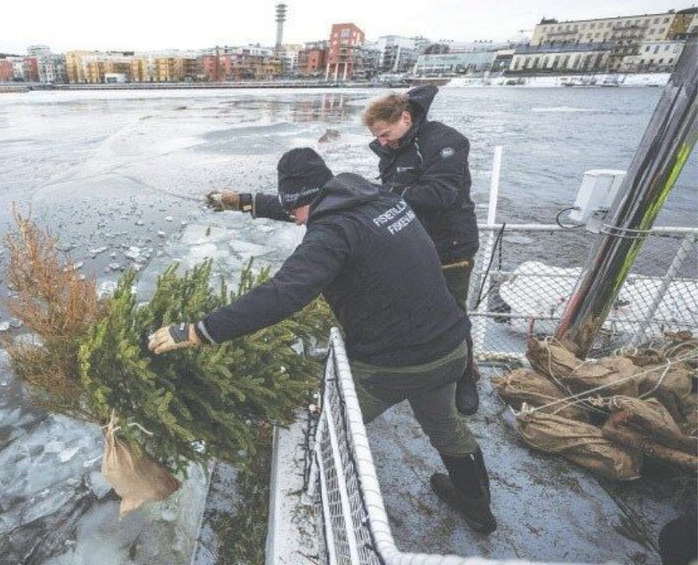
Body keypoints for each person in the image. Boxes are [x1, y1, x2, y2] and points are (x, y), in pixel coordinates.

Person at [157, 147, 497, 533]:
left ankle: (314, 505)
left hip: (391, 367)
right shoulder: (375, 196)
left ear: (307, 201)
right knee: (445, 424)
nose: (296, 221)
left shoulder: (332, 233)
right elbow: (305, 205)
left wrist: (200, 331)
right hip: (451, 346)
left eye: (295, 212)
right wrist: (248, 202)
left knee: (327, 427)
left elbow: (284, 292)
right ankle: (478, 507)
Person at [206, 86, 482, 416]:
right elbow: (318, 203)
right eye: (377, 136)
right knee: (411, 314)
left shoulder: (444, 142)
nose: (381, 141)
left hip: (447, 247)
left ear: (405, 118)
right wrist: (249, 201)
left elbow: (441, 192)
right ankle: (415, 372)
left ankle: (464, 378)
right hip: (403, 244)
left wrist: (378, 196)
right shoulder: (394, 149)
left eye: (385, 133)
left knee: (451, 313)